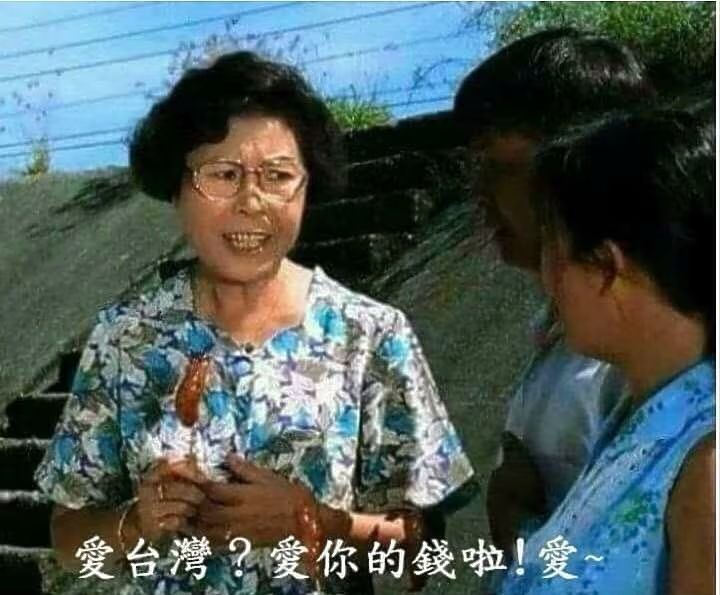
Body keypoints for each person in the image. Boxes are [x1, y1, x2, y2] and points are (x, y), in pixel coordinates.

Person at [35, 51, 476, 595]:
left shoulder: (370, 335)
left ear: (308, 186)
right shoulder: (126, 339)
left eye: (278, 176)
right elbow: (69, 539)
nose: (252, 201)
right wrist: (137, 521)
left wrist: (314, 521)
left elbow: (422, 552)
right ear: (176, 188)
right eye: (223, 175)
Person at [452, 28, 656, 553]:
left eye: (499, 166)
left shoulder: (653, 353)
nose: (479, 192)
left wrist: (518, 517)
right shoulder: (560, 334)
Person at [500, 109, 715, 594]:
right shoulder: (633, 422)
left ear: (605, 266)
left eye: (552, 248)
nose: (546, 280)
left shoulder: (708, 462)